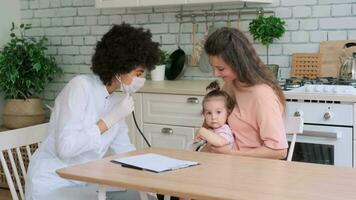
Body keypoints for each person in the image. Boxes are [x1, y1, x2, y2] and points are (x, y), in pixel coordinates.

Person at [25, 23, 160, 200]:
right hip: (54, 182)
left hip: (86, 181)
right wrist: (108, 121)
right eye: (138, 73)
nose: (141, 80)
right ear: (120, 66)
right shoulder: (80, 87)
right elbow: (66, 148)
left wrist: (152, 170)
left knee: (147, 197)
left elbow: (124, 151)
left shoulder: (117, 101)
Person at [202, 27, 288, 159]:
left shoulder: (262, 95)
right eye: (213, 67)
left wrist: (231, 154)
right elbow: (214, 124)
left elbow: (279, 151)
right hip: (226, 164)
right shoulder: (230, 84)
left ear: (238, 63)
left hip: (251, 169)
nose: (215, 74)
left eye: (221, 68)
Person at [194, 80, 236, 150]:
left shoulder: (224, 130)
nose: (213, 117)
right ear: (204, 114)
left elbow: (220, 142)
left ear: (228, 113)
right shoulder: (212, 129)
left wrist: (202, 131)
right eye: (209, 113)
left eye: (218, 112)